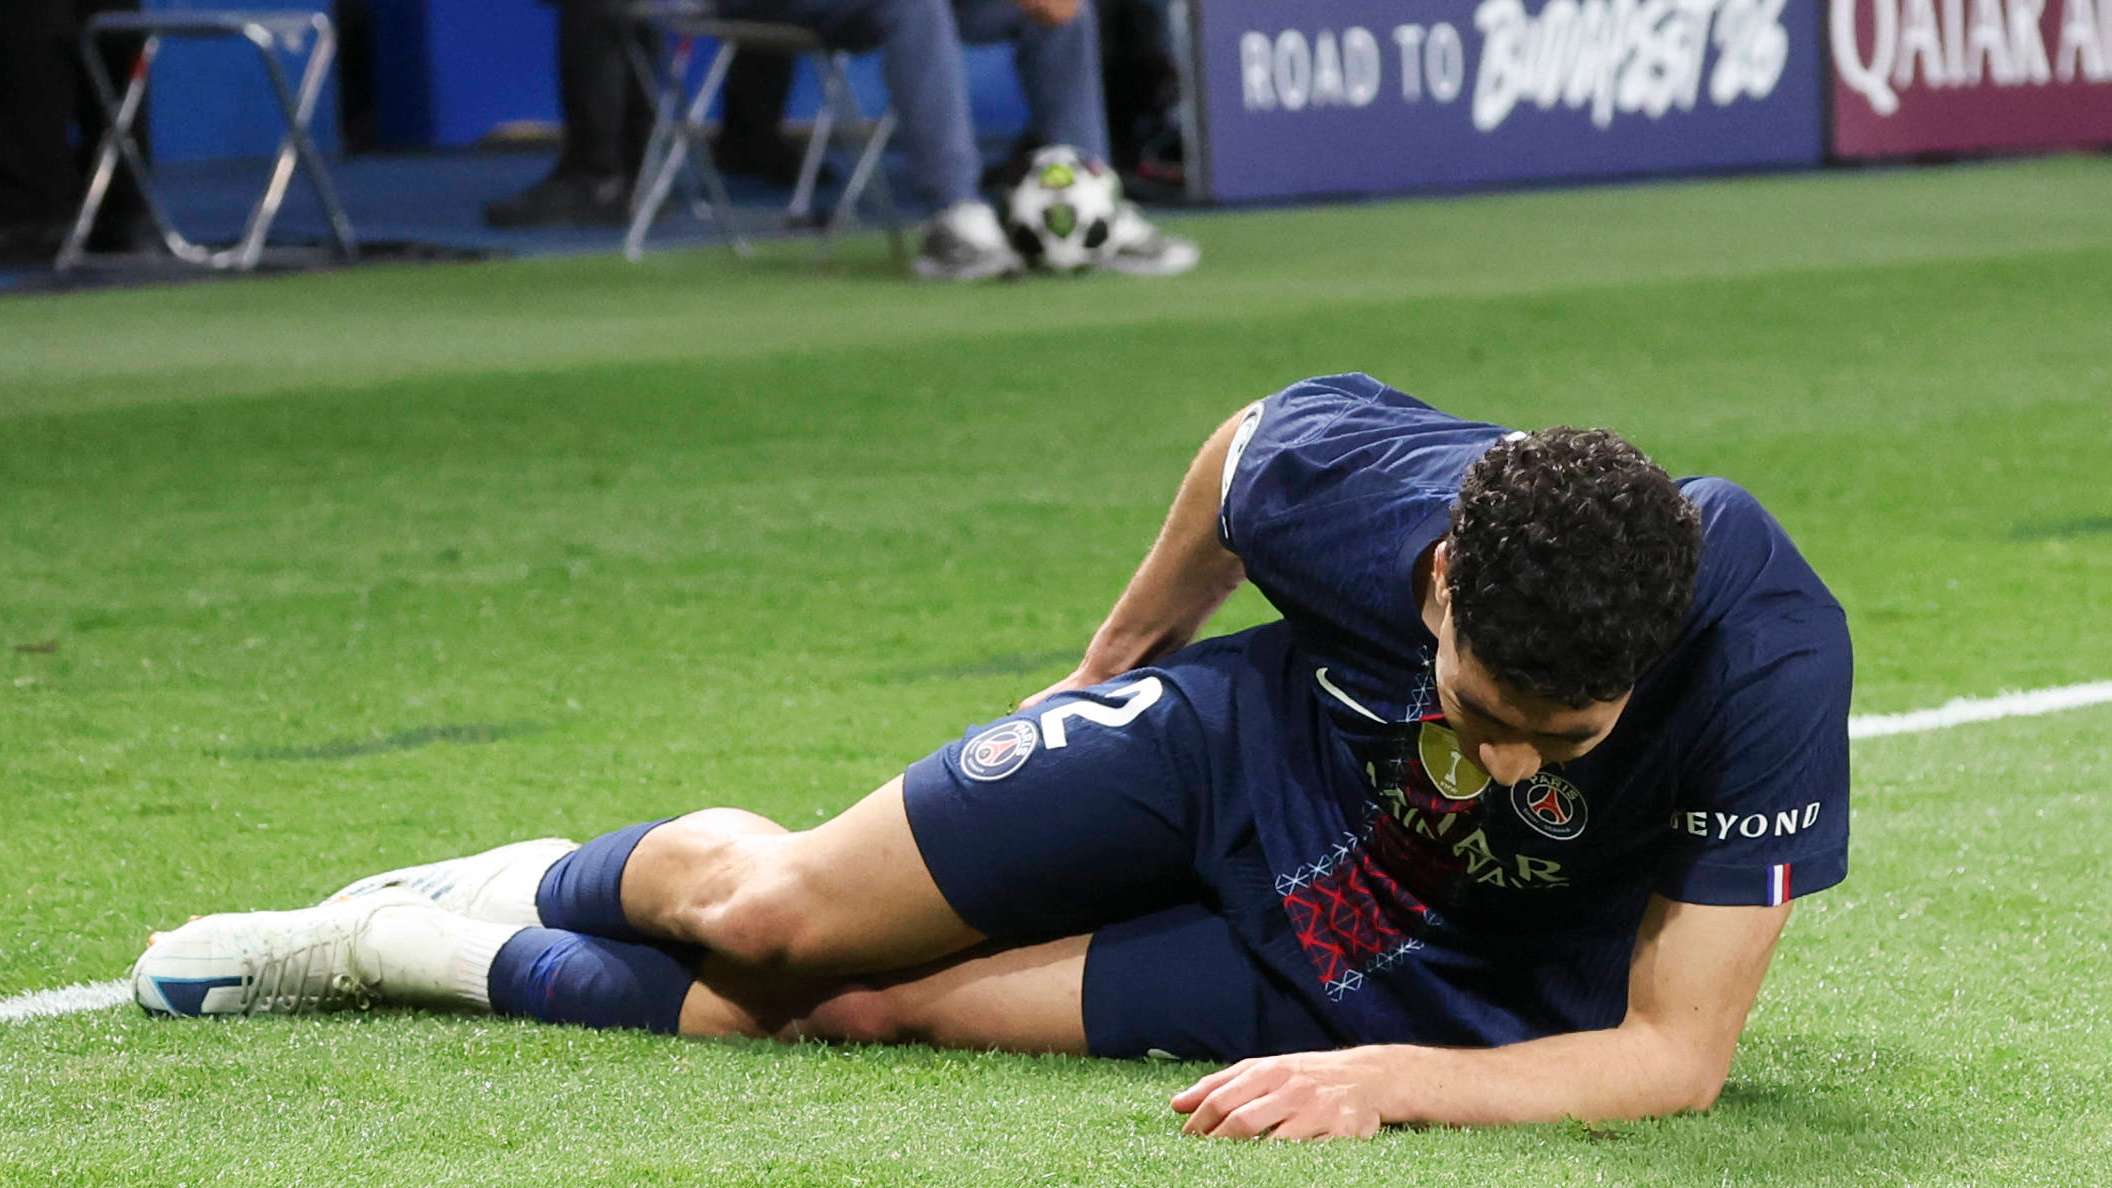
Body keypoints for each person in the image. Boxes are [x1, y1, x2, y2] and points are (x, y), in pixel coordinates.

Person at [133, 373, 1850, 1138]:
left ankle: (387, 946)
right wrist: (1115, 662)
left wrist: (1384, 1079)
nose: (1499, 756)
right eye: (1472, 709)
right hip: (1234, 753)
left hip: (1409, 967)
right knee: (776, 915)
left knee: (849, 1012)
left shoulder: (1759, 642)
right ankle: (498, 871)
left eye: (1563, 740)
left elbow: (1674, 1055)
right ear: (1444, 583)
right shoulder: (1365, 489)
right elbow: (1243, 452)